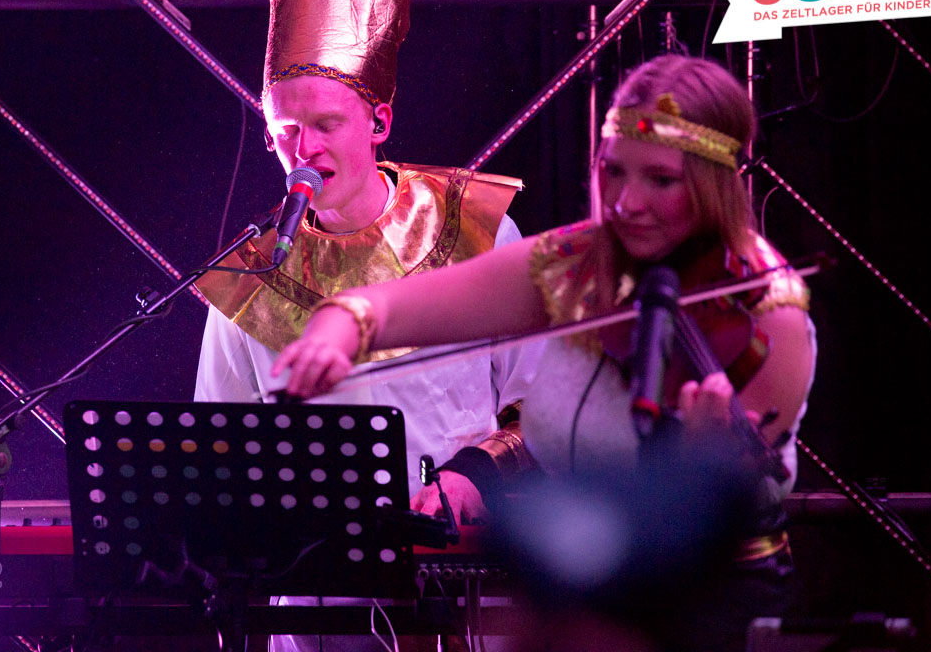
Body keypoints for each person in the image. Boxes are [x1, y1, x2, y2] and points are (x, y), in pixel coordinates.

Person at [274, 54, 816, 650]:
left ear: (713, 184)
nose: (626, 203)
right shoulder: (577, 263)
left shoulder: (768, 312)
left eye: (661, 180)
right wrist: (340, 324)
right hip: (574, 598)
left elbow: (684, 524)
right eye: (613, 171)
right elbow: (388, 307)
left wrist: (696, 460)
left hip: (701, 611)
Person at [193, 0, 544, 652]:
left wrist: (473, 476)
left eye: (327, 125)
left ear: (378, 122)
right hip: (317, 610)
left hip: (464, 589)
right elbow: (219, 442)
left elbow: (552, 406)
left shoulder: (474, 230)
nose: (305, 150)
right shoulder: (252, 275)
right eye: (286, 131)